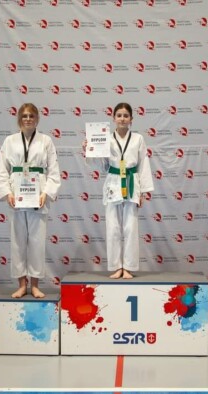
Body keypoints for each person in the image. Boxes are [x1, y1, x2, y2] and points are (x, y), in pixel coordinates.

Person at [0, 103, 61, 298]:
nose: (28, 119)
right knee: (18, 241)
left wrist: (46, 193)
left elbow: (53, 171)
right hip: (17, 193)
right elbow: (2, 170)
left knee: (37, 241)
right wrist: (7, 192)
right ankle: (21, 285)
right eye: (24, 116)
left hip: (37, 194)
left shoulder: (46, 141)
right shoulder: (9, 141)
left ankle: (35, 285)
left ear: (37, 118)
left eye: (31, 116)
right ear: (19, 119)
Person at [83, 102, 154, 279]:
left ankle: (128, 267)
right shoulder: (105, 138)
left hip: (131, 182)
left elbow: (143, 164)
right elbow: (103, 165)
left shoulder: (138, 139)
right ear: (113, 118)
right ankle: (116, 266)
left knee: (131, 227)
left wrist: (143, 191)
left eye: (125, 116)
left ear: (131, 119)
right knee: (113, 227)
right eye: (119, 115)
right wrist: (89, 150)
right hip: (113, 183)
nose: (122, 119)